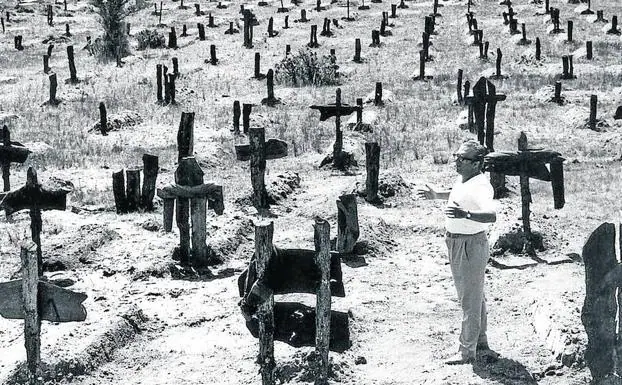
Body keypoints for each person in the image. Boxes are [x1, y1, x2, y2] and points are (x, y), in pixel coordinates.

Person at [417, 140, 497, 365]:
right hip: (456, 242)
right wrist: (436, 196)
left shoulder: (482, 186)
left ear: (477, 164)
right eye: (457, 156)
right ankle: (480, 341)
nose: (458, 161)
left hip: (470, 245)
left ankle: (466, 350)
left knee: (469, 299)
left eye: (464, 159)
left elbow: (491, 215)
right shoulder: (465, 178)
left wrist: (467, 215)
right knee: (475, 295)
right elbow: (456, 194)